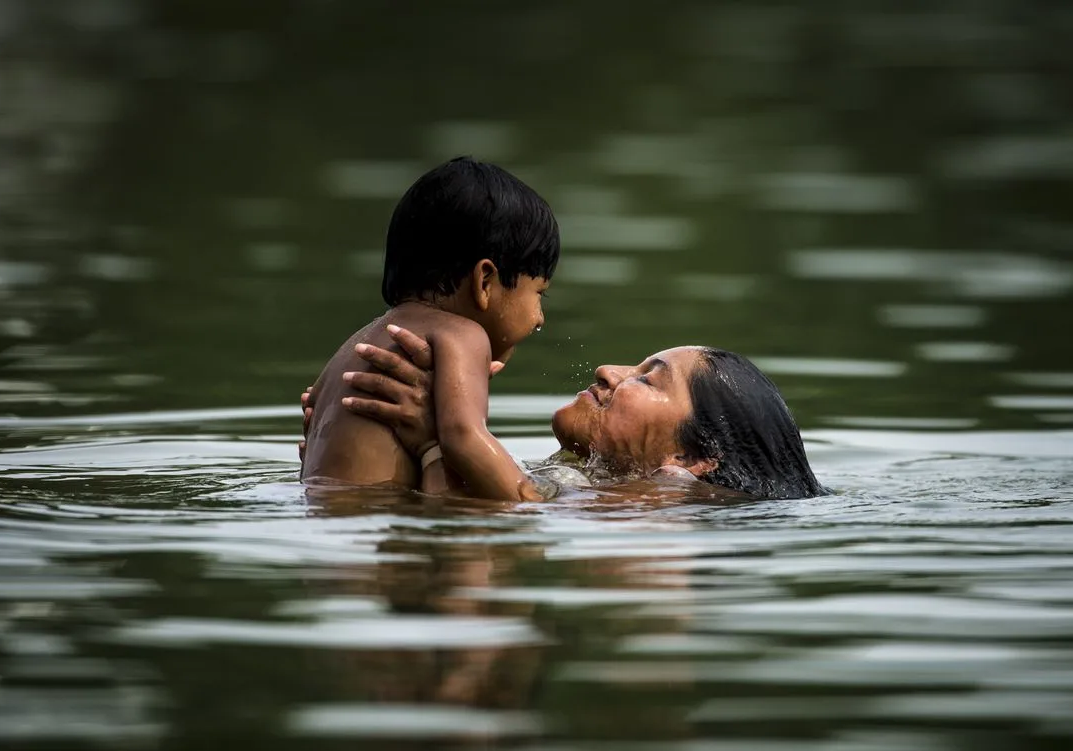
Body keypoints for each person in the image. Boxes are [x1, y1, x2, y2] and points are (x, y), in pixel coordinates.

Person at [301, 326, 828, 501]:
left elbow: (465, 536)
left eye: (647, 378)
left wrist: (433, 442)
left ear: (691, 457)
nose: (607, 370)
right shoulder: (599, 491)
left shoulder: (652, 517)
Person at [300, 157, 559, 502]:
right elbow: (464, 438)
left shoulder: (354, 345)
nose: (540, 318)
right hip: (383, 528)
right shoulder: (463, 335)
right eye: (539, 293)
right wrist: (530, 499)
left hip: (323, 526)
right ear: (485, 281)